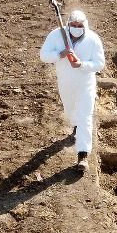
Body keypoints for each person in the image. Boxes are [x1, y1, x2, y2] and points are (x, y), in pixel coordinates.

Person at [39, 9, 105, 169]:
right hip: (65, 83)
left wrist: (82, 65)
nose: (76, 27)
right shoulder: (57, 35)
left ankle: (82, 155)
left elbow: (100, 64)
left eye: (79, 25)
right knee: (71, 111)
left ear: (85, 25)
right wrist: (60, 54)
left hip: (85, 84)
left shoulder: (93, 39)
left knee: (85, 117)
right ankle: (76, 125)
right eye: (73, 25)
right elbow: (44, 55)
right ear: (68, 24)